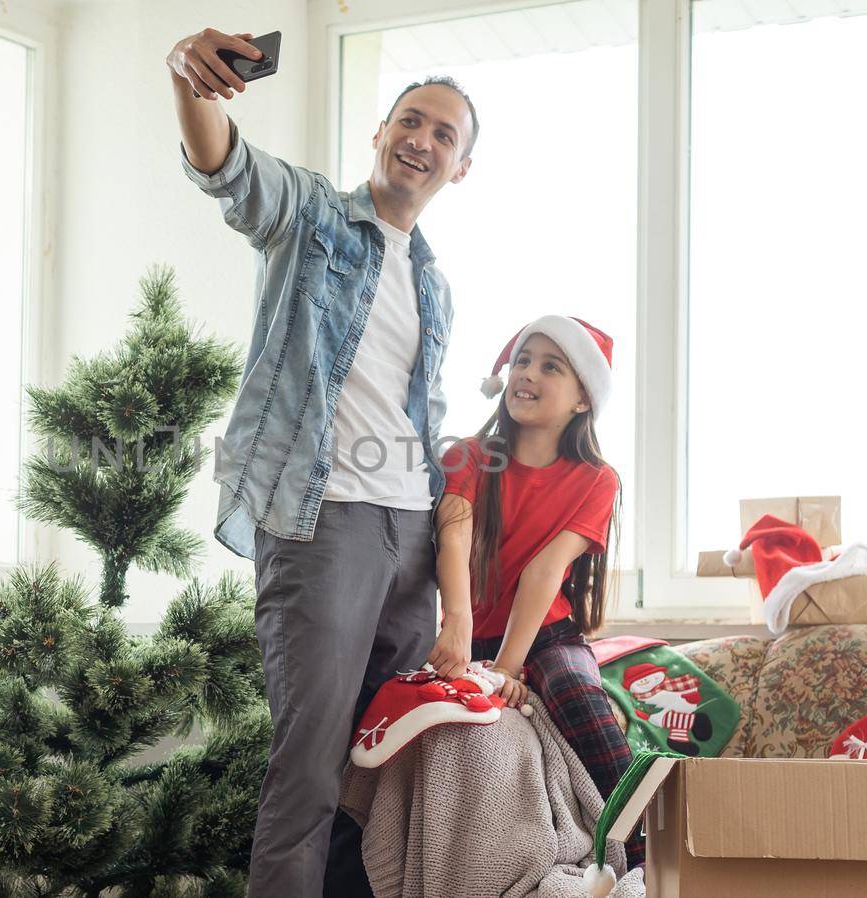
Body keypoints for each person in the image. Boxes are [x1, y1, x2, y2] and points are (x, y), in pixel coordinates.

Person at [166, 26, 476, 898]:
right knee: (308, 767)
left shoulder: (432, 279)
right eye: (410, 121)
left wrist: (448, 542)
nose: (422, 139)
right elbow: (225, 166)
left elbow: (424, 408)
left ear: (459, 168)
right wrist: (192, 83)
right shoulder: (309, 216)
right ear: (380, 134)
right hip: (322, 518)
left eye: (444, 134)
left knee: (378, 772)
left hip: (408, 532)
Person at [429, 315, 643, 867]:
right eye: (523, 360)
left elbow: (542, 574)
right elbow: (452, 533)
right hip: (472, 633)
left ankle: (646, 844)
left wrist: (508, 668)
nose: (528, 373)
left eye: (551, 366)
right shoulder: (470, 456)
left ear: (581, 399)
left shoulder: (598, 479)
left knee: (572, 687)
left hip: (548, 635)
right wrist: (459, 627)